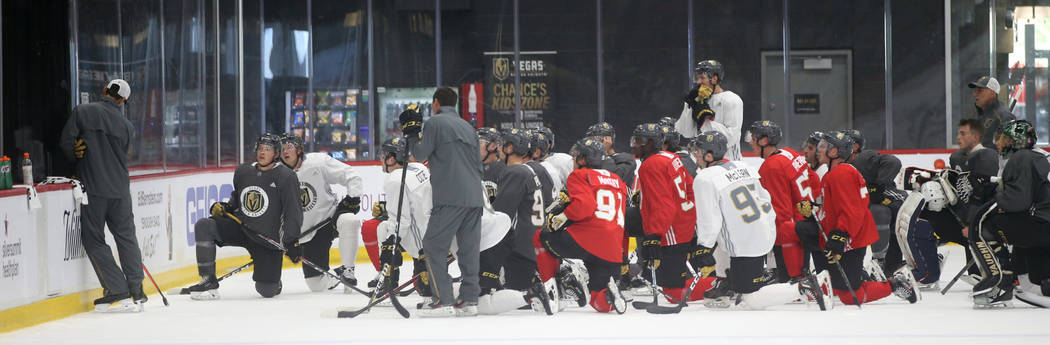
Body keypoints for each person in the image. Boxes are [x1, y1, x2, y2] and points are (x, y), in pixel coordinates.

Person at [689, 131, 824, 310]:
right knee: (726, 241)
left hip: (746, 242)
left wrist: (703, 248)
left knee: (750, 297)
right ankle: (730, 281)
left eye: (698, 151)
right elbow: (765, 198)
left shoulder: (704, 178)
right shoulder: (743, 167)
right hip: (762, 232)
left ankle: (803, 286)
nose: (695, 155)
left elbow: (710, 221)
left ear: (709, 154)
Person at [798, 131, 917, 306]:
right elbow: (838, 208)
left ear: (835, 152)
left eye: (824, 146)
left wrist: (839, 236)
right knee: (803, 230)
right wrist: (816, 209)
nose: (819, 149)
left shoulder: (841, 174)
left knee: (850, 296)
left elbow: (852, 211)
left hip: (851, 239)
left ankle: (895, 284)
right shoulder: (835, 173)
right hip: (849, 235)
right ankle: (848, 277)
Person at [59, 79, 146, 312]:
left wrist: (76, 158)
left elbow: (66, 143)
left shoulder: (82, 111)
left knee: (93, 238)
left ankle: (116, 287)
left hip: (95, 188)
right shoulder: (127, 126)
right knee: (126, 237)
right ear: (123, 100)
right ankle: (137, 288)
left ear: (105, 90)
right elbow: (126, 153)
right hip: (120, 189)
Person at [187, 134, 303, 300]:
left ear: (276, 154)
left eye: (268, 149)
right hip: (242, 228)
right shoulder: (243, 171)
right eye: (260, 148)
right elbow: (238, 200)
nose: (262, 152)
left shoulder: (286, 176)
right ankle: (208, 280)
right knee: (204, 225)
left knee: (266, 290)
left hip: (267, 239)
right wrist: (226, 207)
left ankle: (273, 279)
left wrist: (292, 240)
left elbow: (294, 212)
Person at [401, 87, 484, 317]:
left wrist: (411, 132)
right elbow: (479, 165)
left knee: (433, 245)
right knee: (469, 249)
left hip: (450, 196)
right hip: (474, 196)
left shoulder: (436, 123)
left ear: (436, 103)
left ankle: (443, 299)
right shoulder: (468, 127)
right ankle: (470, 300)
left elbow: (419, 154)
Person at [897, 119, 998, 287]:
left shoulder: (986, 156)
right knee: (920, 218)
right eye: (958, 133)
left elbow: (982, 195)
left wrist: (972, 224)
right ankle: (928, 267)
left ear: (975, 137)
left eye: (963, 133)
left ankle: (986, 271)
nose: (958, 137)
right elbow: (955, 187)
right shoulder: (957, 157)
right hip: (959, 217)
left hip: (982, 222)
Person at [535, 137, 630, 313]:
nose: (573, 160)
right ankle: (609, 292)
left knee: (540, 237)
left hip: (587, 240)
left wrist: (563, 217)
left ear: (583, 159)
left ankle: (552, 293)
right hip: (612, 248)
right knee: (600, 303)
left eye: (576, 156)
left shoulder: (579, 175)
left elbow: (585, 207)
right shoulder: (618, 180)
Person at [968, 119, 1050, 308]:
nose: (997, 143)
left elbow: (1016, 203)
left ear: (1017, 140)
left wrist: (991, 192)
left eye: (1003, 139)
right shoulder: (1039, 157)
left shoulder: (1021, 157)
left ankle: (999, 283)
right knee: (1032, 259)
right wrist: (998, 184)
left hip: (1042, 225)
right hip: (1043, 226)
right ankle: (1039, 283)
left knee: (981, 223)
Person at [277, 134, 363, 293]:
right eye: (281, 149)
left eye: (289, 147)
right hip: (306, 233)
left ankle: (348, 271)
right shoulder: (276, 173)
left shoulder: (318, 162)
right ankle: (336, 274)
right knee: (317, 285)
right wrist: (288, 237)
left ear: (300, 150)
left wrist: (352, 199)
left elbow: (352, 176)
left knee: (349, 220)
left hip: (329, 221)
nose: (285, 152)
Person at [631, 123, 705, 302]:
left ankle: (715, 284)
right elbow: (688, 187)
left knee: (673, 295)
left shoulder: (651, 165)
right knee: (623, 220)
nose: (633, 144)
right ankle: (636, 272)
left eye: (638, 141)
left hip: (671, 229)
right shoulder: (670, 157)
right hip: (683, 222)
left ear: (650, 143)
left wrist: (655, 235)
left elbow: (663, 204)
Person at [486, 128, 554, 314]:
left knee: (516, 298)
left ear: (509, 148)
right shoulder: (532, 169)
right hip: (537, 243)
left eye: (500, 146)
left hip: (521, 249)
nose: (497, 150)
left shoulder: (514, 172)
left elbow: (501, 214)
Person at [745, 120, 822, 283]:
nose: (751, 142)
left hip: (791, 234)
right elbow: (814, 181)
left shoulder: (770, 167)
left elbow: (780, 211)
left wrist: (776, 238)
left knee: (793, 285)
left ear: (764, 140)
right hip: (808, 222)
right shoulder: (790, 153)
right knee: (802, 278)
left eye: (753, 138)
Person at [373, 137, 436, 307]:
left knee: (386, 231)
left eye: (383, 155)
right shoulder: (419, 167)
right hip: (437, 232)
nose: (381, 159)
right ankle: (389, 280)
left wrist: (390, 244)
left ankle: (389, 280)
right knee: (383, 227)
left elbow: (402, 220)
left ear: (392, 158)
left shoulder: (394, 180)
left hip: (421, 242)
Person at [843, 129, 907, 276]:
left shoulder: (863, 158)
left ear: (855, 147)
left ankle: (883, 261)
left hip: (886, 200)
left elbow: (893, 162)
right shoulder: (840, 164)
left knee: (882, 212)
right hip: (865, 204)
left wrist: (878, 187)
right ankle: (889, 263)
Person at [674, 60, 742, 160]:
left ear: (714, 79)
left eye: (702, 78)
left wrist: (704, 121)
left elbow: (730, 138)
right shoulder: (698, 100)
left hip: (729, 163)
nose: (699, 82)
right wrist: (690, 105)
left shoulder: (732, 100)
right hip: (703, 163)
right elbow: (686, 132)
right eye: (697, 78)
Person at [968, 76, 1015, 148]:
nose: (975, 94)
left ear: (992, 93)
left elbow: (1007, 148)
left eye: (980, 91)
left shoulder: (1004, 116)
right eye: (975, 91)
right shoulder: (977, 115)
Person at [586, 122, 636, 188]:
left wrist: (602, 151)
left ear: (607, 139)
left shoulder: (627, 159)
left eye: (596, 139)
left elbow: (614, 178)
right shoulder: (590, 159)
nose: (592, 143)